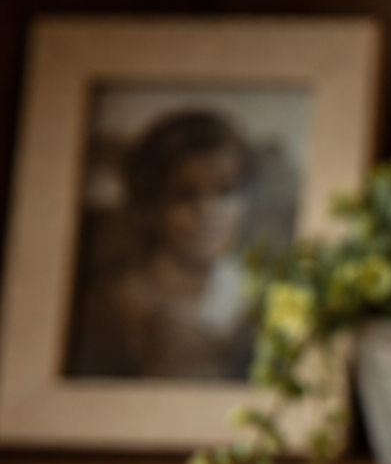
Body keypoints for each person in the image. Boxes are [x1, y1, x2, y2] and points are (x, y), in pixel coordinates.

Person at [71, 111, 255, 379]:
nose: (208, 212)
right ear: (147, 208)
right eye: (185, 196)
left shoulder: (253, 298)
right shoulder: (112, 303)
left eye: (225, 192)